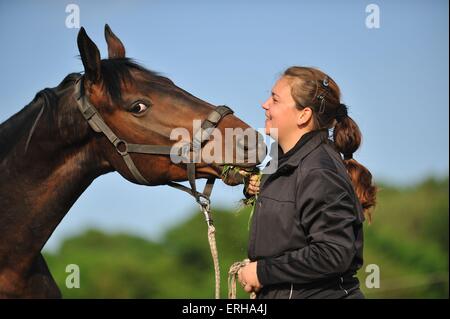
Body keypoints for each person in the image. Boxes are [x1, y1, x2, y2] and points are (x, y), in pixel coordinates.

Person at [237, 66, 377, 299]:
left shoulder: (320, 171)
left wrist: (262, 272)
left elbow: (332, 253)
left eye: (275, 99)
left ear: (304, 115)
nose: (264, 104)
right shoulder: (286, 162)